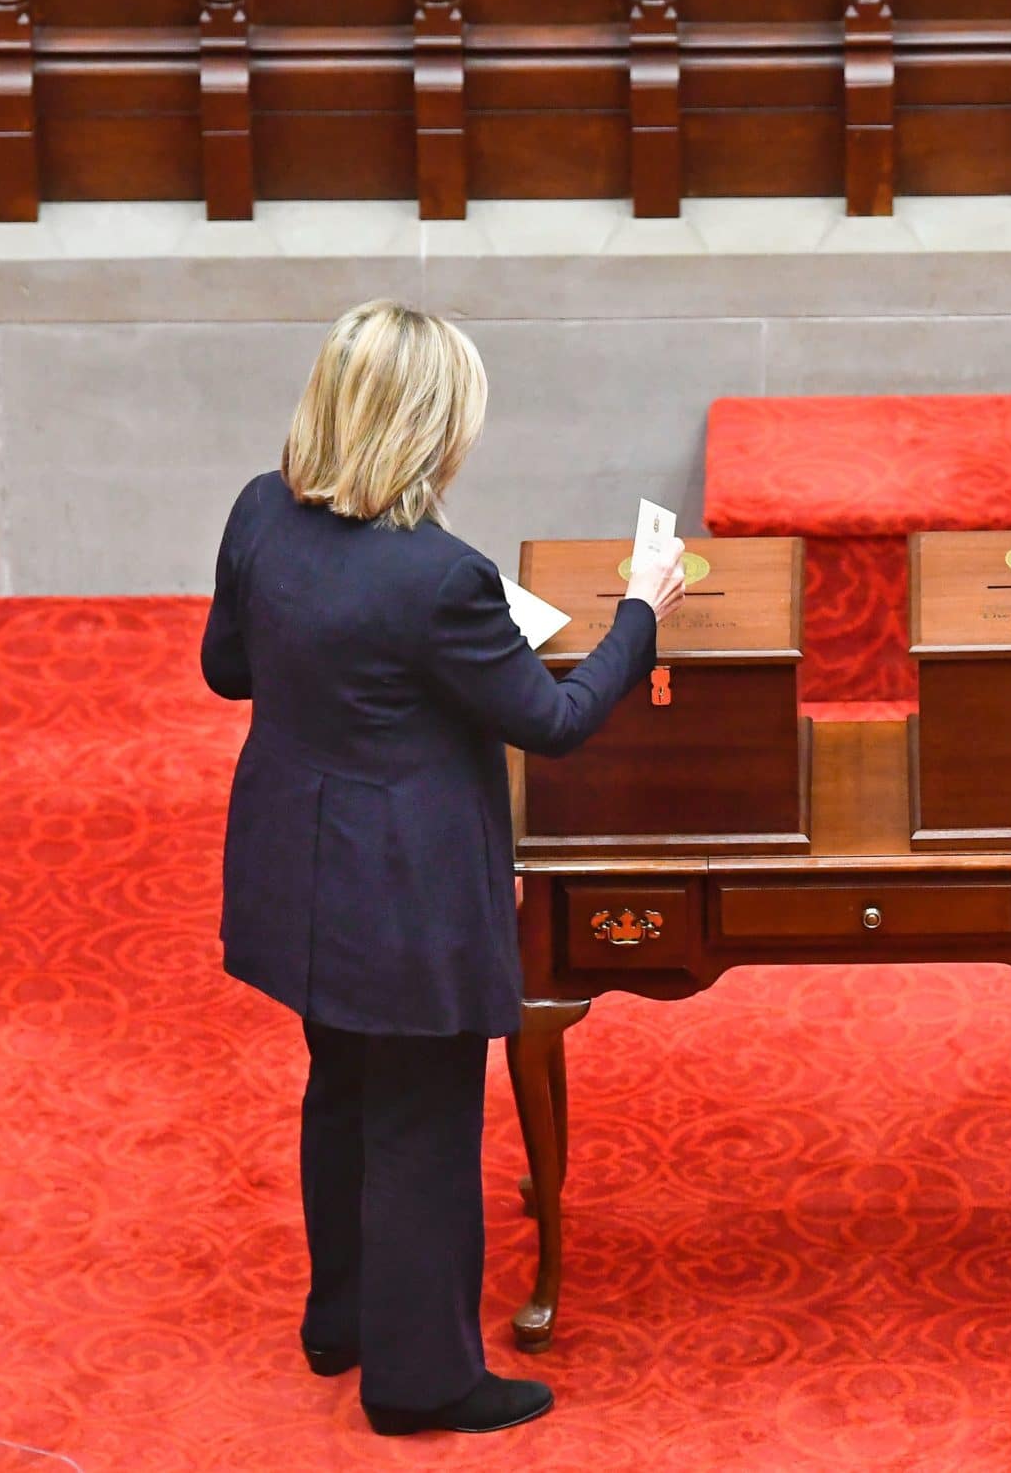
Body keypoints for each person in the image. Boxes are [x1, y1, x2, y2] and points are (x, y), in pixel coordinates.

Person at [200, 300, 686, 1434]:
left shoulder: (262, 510)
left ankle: (342, 1319)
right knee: (420, 1122)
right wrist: (640, 614)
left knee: (341, 1086)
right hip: (404, 893)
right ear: (428, 426)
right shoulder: (439, 577)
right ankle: (421, 1379)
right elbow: (553, 722)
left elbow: (228, 669)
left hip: (296, 866)